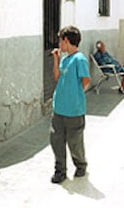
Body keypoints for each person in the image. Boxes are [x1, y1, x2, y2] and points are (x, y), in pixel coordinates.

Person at [50, 25, 91, 184]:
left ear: (66, 40)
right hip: (59, 108)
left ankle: (80, 164)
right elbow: (57, 77)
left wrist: (74, 95)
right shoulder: (65, 59)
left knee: (75, 141)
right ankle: (60, 170)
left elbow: (86, 80)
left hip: (74, 110)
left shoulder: (79, 59)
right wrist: (56, 59)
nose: (59, 44)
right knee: (57, 140)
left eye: (60, 41)